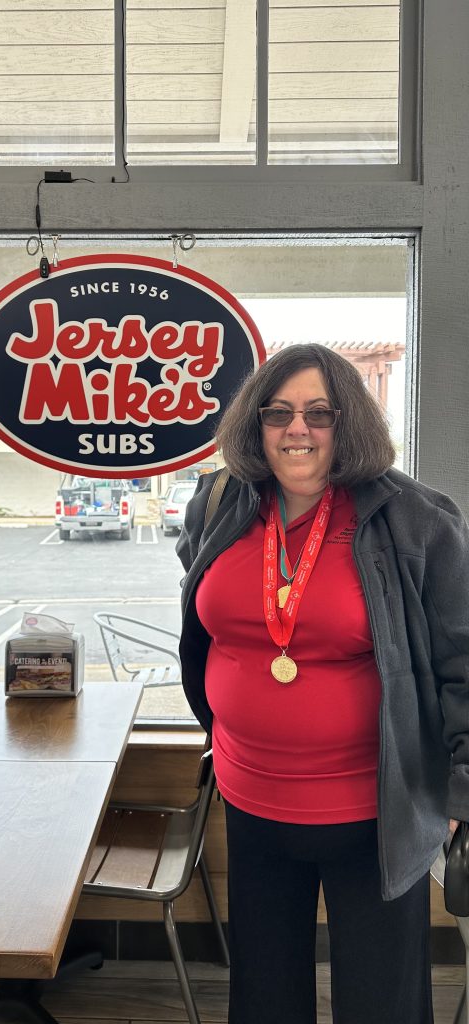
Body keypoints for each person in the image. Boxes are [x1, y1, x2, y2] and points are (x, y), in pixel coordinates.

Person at [176, 343, 469, 1024]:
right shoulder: (221, 503)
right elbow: (208, 605)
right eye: (277, 414)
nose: (295, 430)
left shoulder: (414, 520)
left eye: (318, 413)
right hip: (251, 796)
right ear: (255, 426)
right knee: (265, 996)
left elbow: (463, 657)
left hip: (375, 810)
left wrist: (463, 783)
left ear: (350, 423)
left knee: (382, 1003)